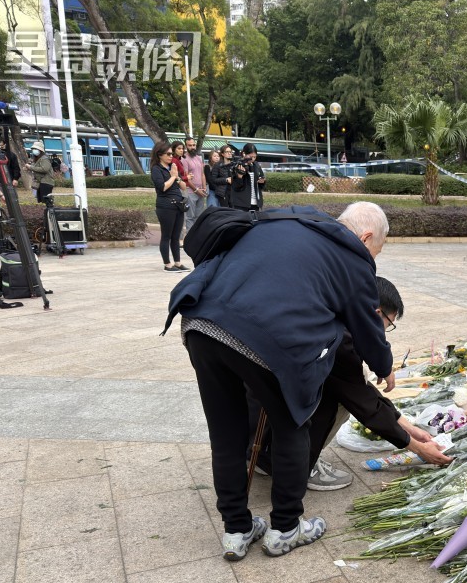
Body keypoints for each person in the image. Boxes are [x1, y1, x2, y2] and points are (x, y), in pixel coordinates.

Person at [163, 201, 395, 561]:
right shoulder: (352, 257)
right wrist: (385, 365)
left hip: (201, 324)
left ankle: (236, 531)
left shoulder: (288, 219)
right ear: (366, 236)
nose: (372, 259)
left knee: (226, 434)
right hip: (265, 339)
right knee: (292, 425)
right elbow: (367, 330)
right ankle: (286, 528)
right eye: (375, 250)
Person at [254, 276, 452, 488]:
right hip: (267, 411)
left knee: (346, 390)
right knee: (337, 401)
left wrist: (409, 428)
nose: (385, 333)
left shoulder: (334, 314)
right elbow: (361, 401)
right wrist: (417, 448)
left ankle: (265, 456)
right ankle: (292, 465)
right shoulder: (340, 338)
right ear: (377, 314)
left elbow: (355, 385)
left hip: (258, 405)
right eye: (389, 324)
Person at [150, 140, 189, 272]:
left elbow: (183, 186)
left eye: (172, 154)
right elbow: (162, 188)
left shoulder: (172, 167)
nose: (171, 156)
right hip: (165, 206)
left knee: (176, 236)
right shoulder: (156, 169)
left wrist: (177, 177)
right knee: (166, 235)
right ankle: (167, 264)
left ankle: (177, 262)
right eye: (168, 154)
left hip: (178, 205)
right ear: (159, 154)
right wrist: (172, 177)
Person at [181, 136, 208, 231]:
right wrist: (196, 190)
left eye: (193, 145)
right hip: (191, 192)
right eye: (190, 145)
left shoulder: (198, 158)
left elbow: (202, 174)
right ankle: (189, 240)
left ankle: (196, 239)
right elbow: (187, 178)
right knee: (190, 217)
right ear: (186, 146)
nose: (192, 147)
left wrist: (204, 188)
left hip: (201, 192)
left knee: (199, 217)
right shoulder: (184, 159)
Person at [229, 143, 265, 211]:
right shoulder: (237, 165)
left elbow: (261, 185)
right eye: (251, 157)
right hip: (241, 203)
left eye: (255, 157)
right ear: (244, 154)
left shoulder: (256, 165)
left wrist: (262, 182)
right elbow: (235, 187)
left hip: (256, 203)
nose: (253, 159)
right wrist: (239, 177)